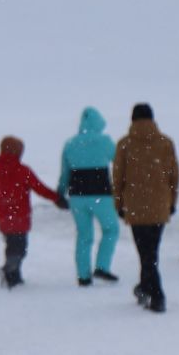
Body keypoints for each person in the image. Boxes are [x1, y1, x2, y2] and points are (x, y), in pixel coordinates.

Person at [111, 103, 179, 313]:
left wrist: (119, 204)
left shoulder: (124, 144)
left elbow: (118, 177)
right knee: (151, 252)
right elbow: (173, 176)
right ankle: (145, 288)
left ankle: (157, 294)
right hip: (160, 206)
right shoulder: (165, 143)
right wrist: (172, 202)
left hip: (135, 207)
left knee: (146, 253)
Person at [0, 136, 62, 288]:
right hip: (20, 216)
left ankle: (14, 275)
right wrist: (56, 198)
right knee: (19, 248)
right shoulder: (23, 170)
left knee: (12, 245)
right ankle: (8, 270)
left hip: (4, 217)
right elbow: (39, 188)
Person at [57, 108, 120, 286]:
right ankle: (102, 266)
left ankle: (83, 276)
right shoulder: (105, 142)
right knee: (111, 230)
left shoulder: (70, 144)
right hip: (101, 194)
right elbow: (120, 163)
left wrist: (60, 193)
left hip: (77, 196)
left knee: (84, 235)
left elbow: (65, 174)